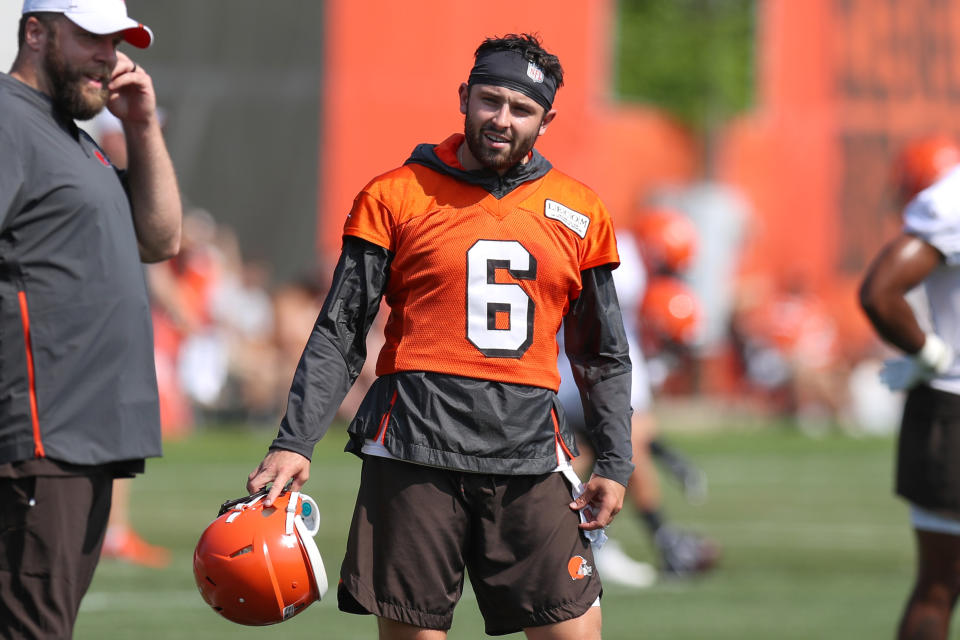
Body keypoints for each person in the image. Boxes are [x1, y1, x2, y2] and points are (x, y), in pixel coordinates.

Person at [247, 33, 633, 639]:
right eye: (490, 101)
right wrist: (295, 441)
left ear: (547, 119)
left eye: (522, 108)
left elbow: (601, 354)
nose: (502, 119)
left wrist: (614, 459)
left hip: (530, 454)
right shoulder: (394, 194)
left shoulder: (580, 212)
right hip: (414, 452)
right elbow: (340, 332)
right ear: (464, 97)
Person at [0, 1, 182, 636]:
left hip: (84, 438)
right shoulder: (8, 119)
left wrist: (143, 127)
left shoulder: (73, 137)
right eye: (91, 39)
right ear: (35, 32)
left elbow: (160, 239)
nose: (108, 56)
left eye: (117, 42)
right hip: (38, 435)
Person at [558, 228, 719, 587]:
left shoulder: (630, 301)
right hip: (563, 378)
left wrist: (669, 454)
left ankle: (565, 537)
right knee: (619, 452)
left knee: (569, 461)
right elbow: (634, 429)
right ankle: (649, 540)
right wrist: (669, 456)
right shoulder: (625, 292)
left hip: (565, 376)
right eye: (669, 344)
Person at [858, 134, 960, 640]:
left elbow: (880, 292)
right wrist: (931, 352)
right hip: (951, 402)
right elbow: (880, 293)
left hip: (948, 403)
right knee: (939, 585)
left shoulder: (948, 201)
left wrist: (930, 354)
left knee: (938, 585)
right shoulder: (951, 201)